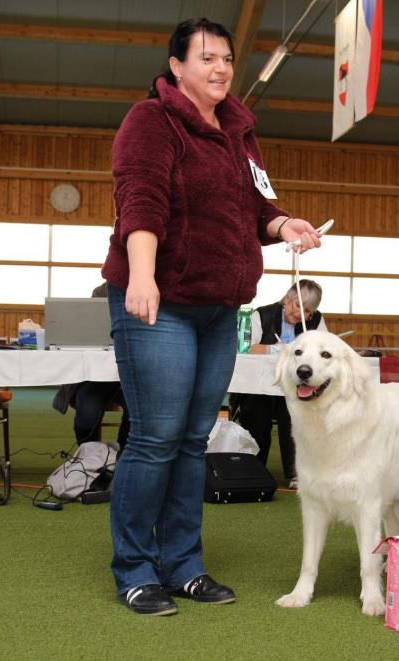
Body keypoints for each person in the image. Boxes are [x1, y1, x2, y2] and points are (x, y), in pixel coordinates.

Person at [100, 17, 323, 617]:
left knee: (194, 441)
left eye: (226, 58)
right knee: (155, 438)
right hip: (162, 303)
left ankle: (184, 564)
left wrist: (283, 225)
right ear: (176, 66)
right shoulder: (151, 122)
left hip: (220, 309)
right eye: (207, 58)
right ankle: (136, 569)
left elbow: (253, 205)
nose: (221, 68)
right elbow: (139, 200)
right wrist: (142, 275)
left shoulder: (238, 132)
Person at [232, 280, 327, 489]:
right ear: (287, 299)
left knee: (294, 416)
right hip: (259, 386)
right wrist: (276, 350)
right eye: (297, 306)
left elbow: (325, 350)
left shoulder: (317, 322)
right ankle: (255, 469)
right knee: (257, 416)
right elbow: (245, 347)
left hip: (296, 386)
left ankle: (296, 473)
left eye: (309, 312)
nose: (301, 314)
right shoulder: (261, 315)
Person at [52, 282, 130, 453]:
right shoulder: (103, 291)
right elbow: (92, 332)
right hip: (99, 376)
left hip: (135, 375)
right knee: (87, 413)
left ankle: (124, 456)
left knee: (138, 412)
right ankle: (89, 457)